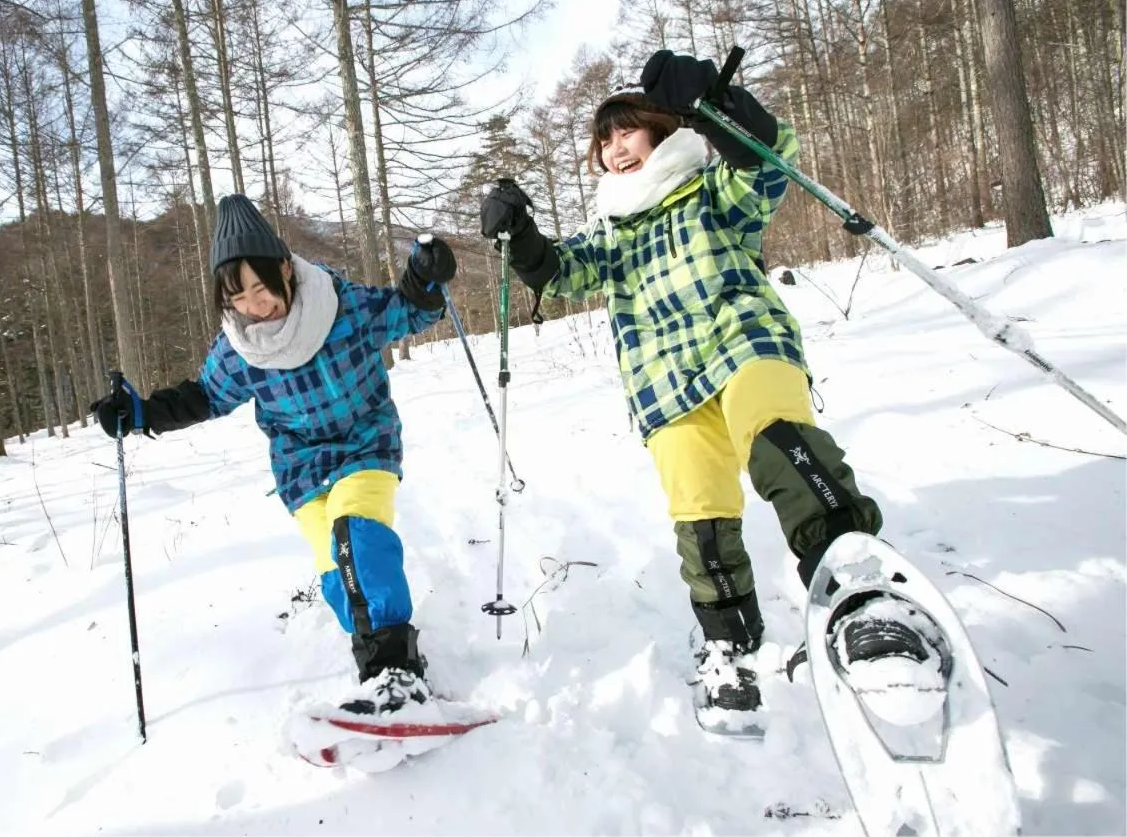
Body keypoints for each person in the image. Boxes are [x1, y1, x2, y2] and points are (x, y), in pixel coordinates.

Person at [480, 51, 936, 713]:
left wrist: (714, 104)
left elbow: (769, 157)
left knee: (779, 444)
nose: (615, 149)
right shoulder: (609, 232)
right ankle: (730, 643)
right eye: (603, 142)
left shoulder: (711, 188)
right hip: (664, 382)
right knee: (700, 513)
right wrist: (517, 230)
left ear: (661, 130)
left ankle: (857, 588)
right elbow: (557, 272)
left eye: (626, 130)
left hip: (745, 342)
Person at [90, 194, 457, 718]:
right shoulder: (239, 349)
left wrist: (424, 278)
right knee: (337, 566)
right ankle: (375, 663)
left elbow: (405, 314)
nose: (257, 305)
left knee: (359, 535)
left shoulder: (338, 304)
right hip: (303, 469)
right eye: (239, 297)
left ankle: (395, 672)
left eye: (263, 288)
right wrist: (141, 413)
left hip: (366, 442)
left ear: (286, 269)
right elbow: (206, 397)